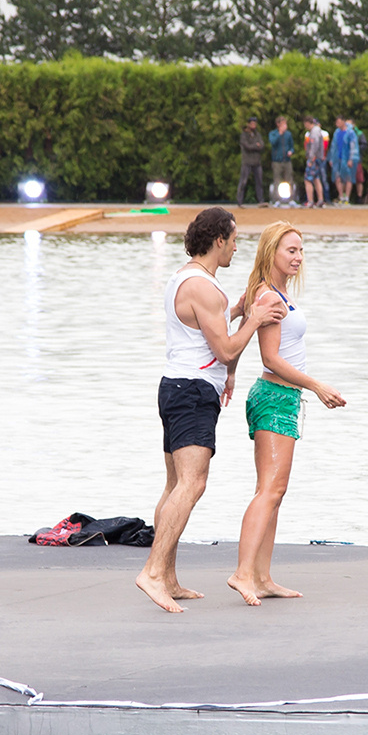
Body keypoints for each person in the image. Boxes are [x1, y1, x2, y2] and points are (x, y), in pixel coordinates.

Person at [136, 207, 283, 614]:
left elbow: (203, 330)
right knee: (193, 484)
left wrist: (234, 313)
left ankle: (167, 577)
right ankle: (151, 572)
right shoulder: (207, 288)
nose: (237, 247)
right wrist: (253, 319)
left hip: (174, 387)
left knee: (174, 487)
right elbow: (226, 349)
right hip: (192, 393)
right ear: (218, 240)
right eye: (234, 240)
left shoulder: (184, 277)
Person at [226, 223, 346, 606]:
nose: (296, 257)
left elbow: (240, 322)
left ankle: (262, 577)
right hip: (275, 396)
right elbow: (270, 358)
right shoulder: (268, 296)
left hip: (282, 397)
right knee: (269, 490)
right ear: (271, 252)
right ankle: (243, 574)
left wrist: (228, 372)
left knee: (276, 493)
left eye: (299, 251)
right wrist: (317, 386)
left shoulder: (269, 292)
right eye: (289, 250)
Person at [329, 116, 360, 205]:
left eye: (338, 122)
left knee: (348, 178)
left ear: (343, 122)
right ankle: (341, 197)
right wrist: (331, 158)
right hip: (337, 159)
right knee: (338, 178)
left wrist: (351, 159)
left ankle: (347, 197)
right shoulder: (336, 132)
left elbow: (353, 146)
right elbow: (333, 146)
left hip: (346, 159)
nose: (337, 124)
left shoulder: (350, 133)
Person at [236, 119, 267, 207]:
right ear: (248, 124)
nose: (254, 125)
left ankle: (261, 201)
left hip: (257, 162)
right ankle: (240, 201)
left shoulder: (257, 134)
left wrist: (255, 146)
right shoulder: (244, 135)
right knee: (243, 181)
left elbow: (262, 145)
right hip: (247, 162)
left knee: (259, 182)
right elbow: (247, 146)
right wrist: (256, 146)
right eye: (252, 123)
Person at [302, 117, 329, 208]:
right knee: (316, 179)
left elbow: (314, 145)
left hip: (314, 159)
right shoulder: (317, 131)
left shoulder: (314, 132)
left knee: (307, 180)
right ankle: (320, 200)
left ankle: (310, 201)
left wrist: (311, 157)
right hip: (319, 159)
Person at [268, 117, 296, 203]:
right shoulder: (273, 133)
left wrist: (291, 151)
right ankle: (277, 200)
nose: (285, 126)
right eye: (283, 124)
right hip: (277, 161)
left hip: (287, 160)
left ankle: (291, 199)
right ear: (278, 124)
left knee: (289, 179)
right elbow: (272, 142)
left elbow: (292, 146)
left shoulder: (288, 134)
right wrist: (279, 133)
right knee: (277, 180)